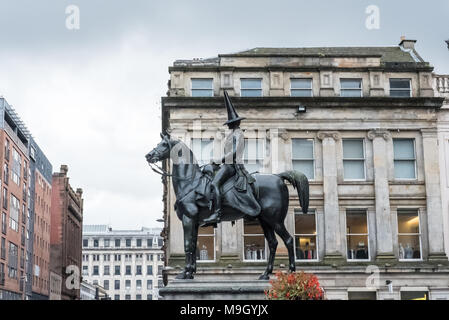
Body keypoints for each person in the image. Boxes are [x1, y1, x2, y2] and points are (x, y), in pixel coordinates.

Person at [201, 91, 258, 226]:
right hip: (227, 165)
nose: (229, 126)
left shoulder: (238, 134)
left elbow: (234, 152)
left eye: (230, 123)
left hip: (232, 166)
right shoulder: (232, 135)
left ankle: (217, 213)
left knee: (215, 184)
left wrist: (218, 160)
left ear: (235, 123)